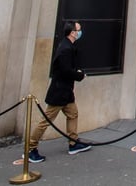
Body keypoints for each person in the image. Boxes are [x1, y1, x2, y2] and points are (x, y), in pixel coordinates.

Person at [26, 21, 91, 163]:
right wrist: (80, 75)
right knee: (46, 120)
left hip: (66, 90)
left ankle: (73, 142)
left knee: (73, 113)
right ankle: (30, 148)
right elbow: (65, 71)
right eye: (78, 30)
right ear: (73, 32)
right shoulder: (65, 48)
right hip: (59, 90)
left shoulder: (68, 46)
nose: (80, 32)